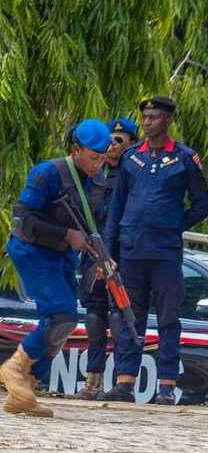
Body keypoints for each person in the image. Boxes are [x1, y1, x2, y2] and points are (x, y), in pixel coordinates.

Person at [0, 118, 112, 418]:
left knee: (63, 325)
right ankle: (14, 369)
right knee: (61, 313)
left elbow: (92, 228)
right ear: (76, 150)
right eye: (93, 157)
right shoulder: (48, 173)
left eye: (102, 158)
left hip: (63, 255)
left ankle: (24, 391)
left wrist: (102, 260)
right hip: (31, 249)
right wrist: (66, 235)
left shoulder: (97, 182)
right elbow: (23, 220)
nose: (98, 164)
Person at [99, 96, 208, 405]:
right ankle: (124, 383)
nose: (147, 123)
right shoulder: (132, 158)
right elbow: (116, 208)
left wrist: (177, 223)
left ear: (168, 120)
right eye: (145, 117)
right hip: (131, 249)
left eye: (154, 117)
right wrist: (109, 253)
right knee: (129, 317)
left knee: (169, 319)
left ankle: (166, 386)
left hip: (165, 251)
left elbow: (202, 201)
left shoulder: (184, 158)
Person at [72, 116, 138, 399]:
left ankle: (121, 383)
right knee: (94, 316)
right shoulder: (93, 174)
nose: (112, 145)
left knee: (119, 317)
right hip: (93, 253)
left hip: (124, 253)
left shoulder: (134, 173)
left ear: (131, 144)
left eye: (119, 140)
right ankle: (92, 382)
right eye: (110, 139)